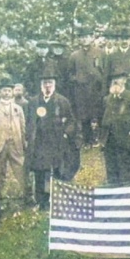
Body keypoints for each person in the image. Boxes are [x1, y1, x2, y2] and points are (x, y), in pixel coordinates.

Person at [25, 65, 78, 210]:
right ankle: (41, 202)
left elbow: (72, 121)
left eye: (50, 83)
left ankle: (57, 201)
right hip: (39, 143)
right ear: (41, 85)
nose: (47, 86)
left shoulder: (62, 101)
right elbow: (29, 122)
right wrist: (28, 136)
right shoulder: (33, 102)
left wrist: (66, 133)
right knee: (39, 173)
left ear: (54, 84)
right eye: (45, 83)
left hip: (57, 143)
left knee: (57, 171)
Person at [98, 72, 130, 186]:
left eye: (118, 80)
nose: (115, 83)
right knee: (111, 169)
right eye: (113, 80)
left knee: (125, 170)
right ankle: (113, 191)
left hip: (126, 141)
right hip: (109, 141)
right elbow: (102, 119)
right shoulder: (106, 99)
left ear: (124, 81)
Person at [0, 80, 27, 203]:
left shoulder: (18, 108)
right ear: (0, 92)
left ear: (12, 92)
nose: (7, 93)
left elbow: (23, 127)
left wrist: (24, 142)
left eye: (9, 91)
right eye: (4, 90)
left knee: (21, 170)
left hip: (15, 144)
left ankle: (27, 197)